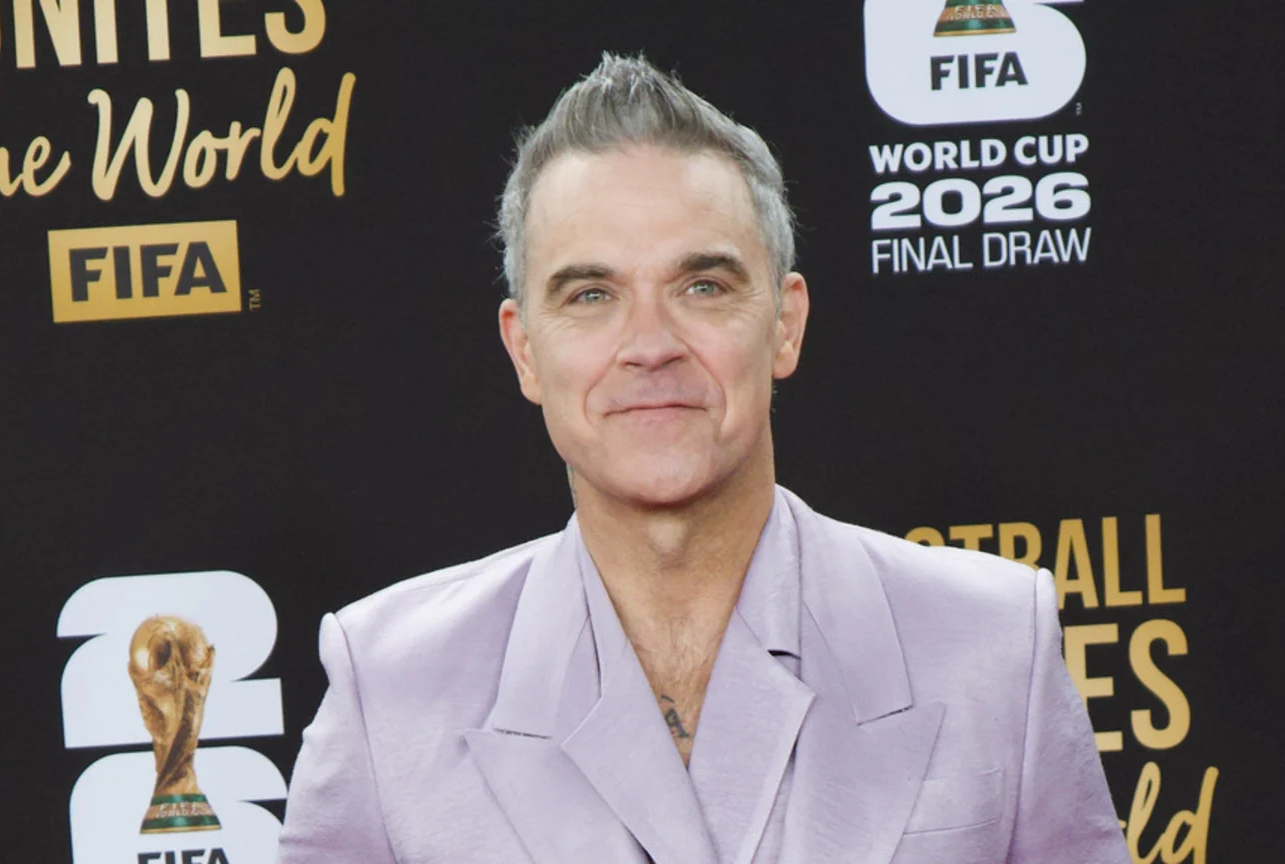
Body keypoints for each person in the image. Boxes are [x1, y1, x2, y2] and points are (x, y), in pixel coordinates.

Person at [276, 54, 1129, 864]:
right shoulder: (389, 685)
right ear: (525, 350)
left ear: (784, 322)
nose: (650, 345)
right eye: (592, 295)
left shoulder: (989, 644)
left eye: (703, 287)